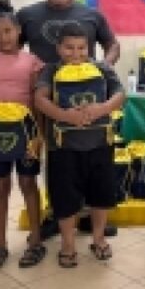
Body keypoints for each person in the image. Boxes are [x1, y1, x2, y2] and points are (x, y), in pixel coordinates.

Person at [17, 0, 120, 238]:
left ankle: (89, 218)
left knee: (91, 159)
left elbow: (112, 45)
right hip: (48, 101)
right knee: (58, 162)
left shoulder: (92, 15)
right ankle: (59, 214)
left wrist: (103, 69)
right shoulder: (27, 15)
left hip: (88, 103)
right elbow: (12, 49)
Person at [34, 23, 124, 268]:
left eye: (81, 48)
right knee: (65, 199)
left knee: (101, 196)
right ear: (58, 48)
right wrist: (65, 116)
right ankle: (68, 245)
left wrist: (102, 109)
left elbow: (119, 94)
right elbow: (40, 99)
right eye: (69, 48)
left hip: (100, 144)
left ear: (89, 48)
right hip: (63, 148)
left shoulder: (101, 68)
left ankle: (99, 239)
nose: (76, 53)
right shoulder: (51, 70)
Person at [0, 0, 46, 270]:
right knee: (0, 186)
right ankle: (0, 244)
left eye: (8, 31)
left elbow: (37, 103)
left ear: (18, 30)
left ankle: (35, 241)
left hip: (26, 132)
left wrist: (39, 137)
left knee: (28, 183)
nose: (3, 38)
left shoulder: (32, 63)